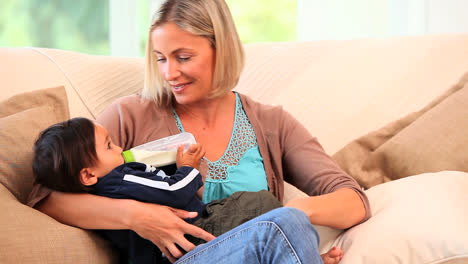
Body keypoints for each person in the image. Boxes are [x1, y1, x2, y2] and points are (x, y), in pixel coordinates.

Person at [27, 0, 371, 263]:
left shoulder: (271, 123)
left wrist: (287, 218)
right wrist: (136, 216)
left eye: (183, 57)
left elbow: (353, 201)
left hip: (255, 252)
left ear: (220, 49)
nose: (170, 73)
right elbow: (47, 199)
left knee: (290, 225)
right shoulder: (129, 116)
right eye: (161, 59)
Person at [32, 117, 283, 263]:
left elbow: (159, 189)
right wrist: (189, 167)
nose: (120, 148)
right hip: (195, 235)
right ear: (87, 175)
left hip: (179, 244)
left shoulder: (106, 188)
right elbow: (174, 190)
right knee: (259, 202)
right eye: (109, 146)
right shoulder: (120, 179)